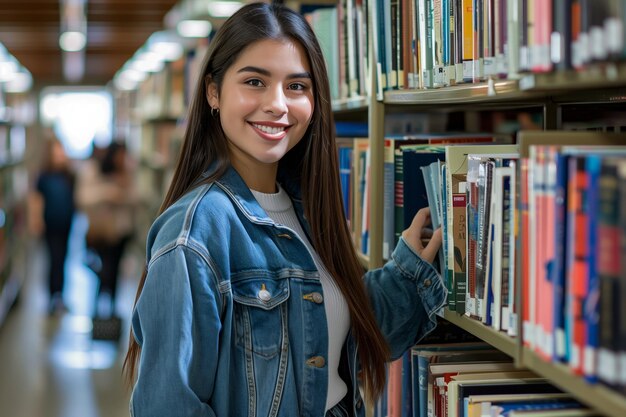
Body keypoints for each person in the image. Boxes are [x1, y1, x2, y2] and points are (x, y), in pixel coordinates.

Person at [124, 3, 446, 417]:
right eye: (255, 81)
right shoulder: (194, 234)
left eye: (296, 86)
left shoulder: (307, 210)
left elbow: (323, 340)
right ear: (213, 93)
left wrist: (408, 276)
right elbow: (166, 406)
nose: (278, 104)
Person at [77, 141, 137, 320]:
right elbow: (83, 198)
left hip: (121, 232)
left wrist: (124, 193)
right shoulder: (94, 170)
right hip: (101, 232)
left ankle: (110, 310)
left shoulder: (128, 172)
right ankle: (97, 310)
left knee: (115, 271)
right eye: (119, 154)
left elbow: (137, 198)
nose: (122, 159)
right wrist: (109, 192)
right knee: (103, 270)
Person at [31, 138, 76, 314]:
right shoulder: (43, 176)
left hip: (66, 224)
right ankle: (52, 297)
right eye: (56, 152)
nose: (60, 155)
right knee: (54, 259)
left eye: (61, 151)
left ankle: (60, 297)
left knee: (63, 259)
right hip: (50, 225)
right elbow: (36, 200)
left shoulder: (68, 175)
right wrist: (36, 220)